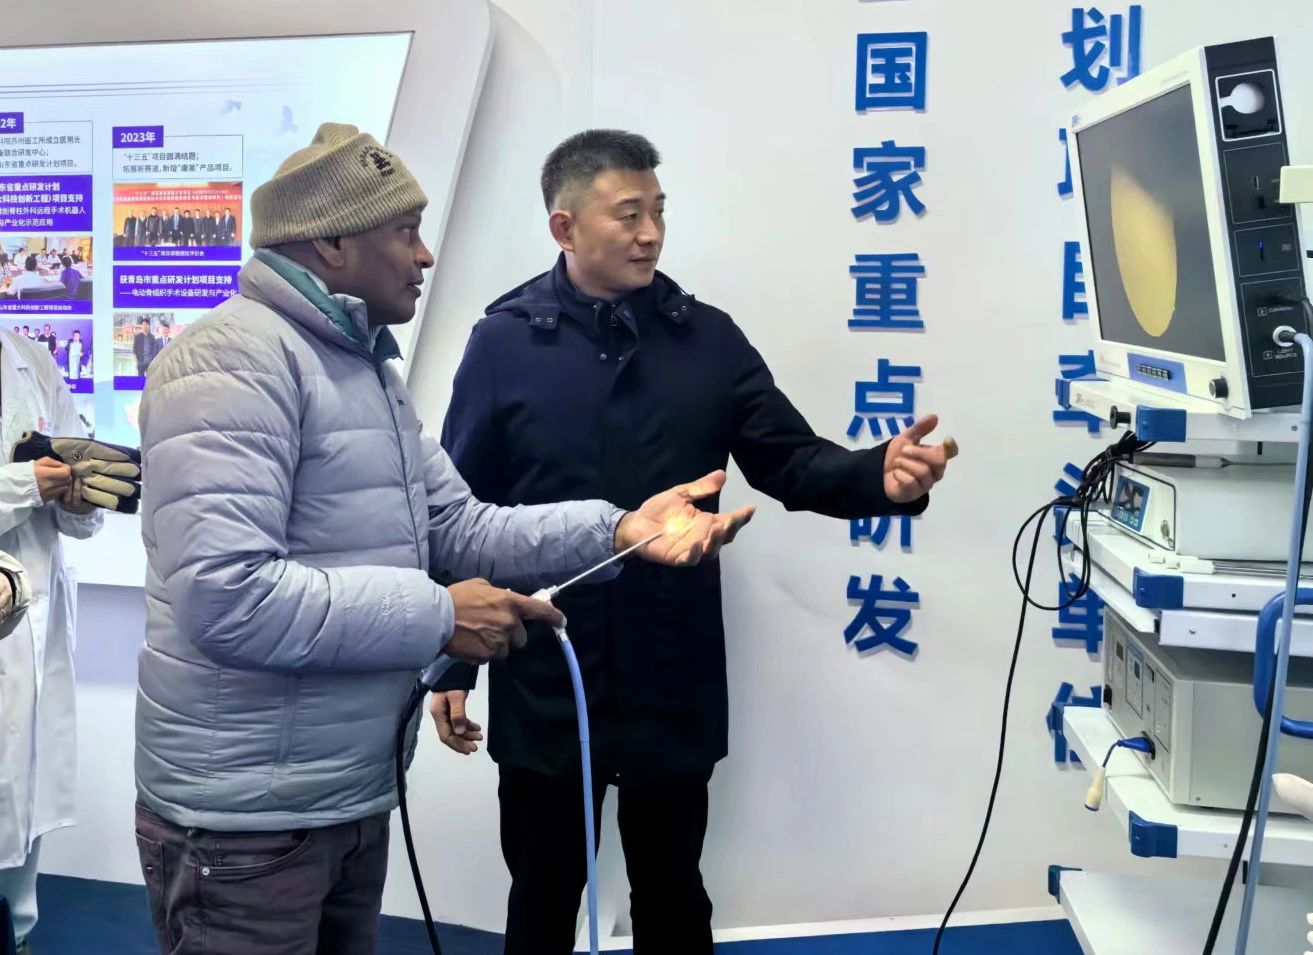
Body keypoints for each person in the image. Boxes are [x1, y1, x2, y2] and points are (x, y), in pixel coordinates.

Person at [131, 122, 748, 955]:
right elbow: (227, 597)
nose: (424, 256)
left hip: (341, 792)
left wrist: (618, 527)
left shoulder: (362, 371)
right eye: (404, 232)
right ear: (332, 244)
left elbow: (460, 524)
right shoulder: (229, 366)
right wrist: (440, 618)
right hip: (244, 819)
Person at [429, 129, 954, 954]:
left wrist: (874, 477)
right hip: (545, 666)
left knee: (673, 892)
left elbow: (790, 460)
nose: (650, 234)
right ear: (565, 227)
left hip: (669, 666)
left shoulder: (706, 339)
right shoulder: (503, 343)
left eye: (658, 212)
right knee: (541, 891)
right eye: (628, 214)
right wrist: (452, 658)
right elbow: (461, 508)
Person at [0, 324, 103, 954]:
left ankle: (17, 932)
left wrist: (81, 496)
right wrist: (24, 486)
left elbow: (79, 509)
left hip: (33, 609)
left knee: (24, 785)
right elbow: (29, 485)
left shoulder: (31, 359)